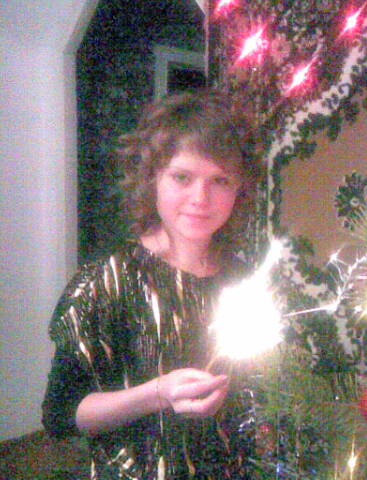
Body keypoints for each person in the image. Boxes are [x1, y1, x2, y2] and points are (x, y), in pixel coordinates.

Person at [42, 91, 262, 479]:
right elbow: (61, 415)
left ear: (238, 189)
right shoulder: (106, 283)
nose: (201, 197)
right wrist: (158, 393)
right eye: (182, 177)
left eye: (220, 180)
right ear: (152, 178)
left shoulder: (242, 282)